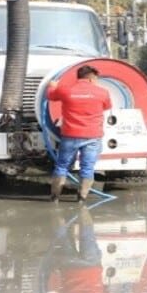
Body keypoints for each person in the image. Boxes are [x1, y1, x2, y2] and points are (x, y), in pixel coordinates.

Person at [47, 65, 112, 202]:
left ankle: (55, 197)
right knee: (87, 167)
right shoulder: (102, 92)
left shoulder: (65, 90)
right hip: (93, 136)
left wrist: (52, 86)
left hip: (70, 135)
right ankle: (81, 198)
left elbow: (51, 96)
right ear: (92, 78)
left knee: (62, 166)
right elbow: (107, 106)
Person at [44, 205, 108, 293]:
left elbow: (106, 290)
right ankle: (55, 204)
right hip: (70, 269)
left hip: (92, 267)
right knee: (61, 237)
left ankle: (81, 203)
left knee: (88, 234)